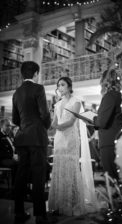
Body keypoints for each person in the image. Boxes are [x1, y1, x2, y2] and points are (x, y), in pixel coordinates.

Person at [48, 77, 100, 216]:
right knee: (59, 169)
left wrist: (57, 126)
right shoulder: (57, 104)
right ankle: (59, 203)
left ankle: (73, 203)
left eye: (63, 85)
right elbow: (54, 122)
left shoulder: (76, 102)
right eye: (58, 85)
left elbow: (71, 122)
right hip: (59, 139)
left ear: (70, 86)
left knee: (71, 169)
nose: (60, 87)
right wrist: (49, 125)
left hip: (70, 139)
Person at [12, 61, 51, 224]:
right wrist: (46, 126)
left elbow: (15, 119)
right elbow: (44, 113)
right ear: (36, 73)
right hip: (36, 137)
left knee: (21, 176)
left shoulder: (16, 93)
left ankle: (19, 212)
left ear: (22, 74)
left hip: (21, 139)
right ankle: (40, 215)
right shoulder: (38, 88)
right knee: (38, 175)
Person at [93, 69, 122, 179]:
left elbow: (102, 122)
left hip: (110, 143)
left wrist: (92, 119)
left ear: (105, 81)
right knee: (121, 179)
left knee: (113, 180)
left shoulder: (109, 96)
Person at [0, 118, 18, 184]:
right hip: (3, 160)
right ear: (1, 126)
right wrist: (12, 156)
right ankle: (14, 185)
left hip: (10, 158)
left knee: (24, 162)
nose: (9, 127)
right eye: (7, 125)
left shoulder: (9, 136)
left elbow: (13, 148)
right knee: (17, 164)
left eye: (10, 126)